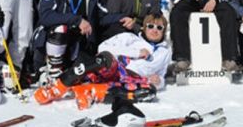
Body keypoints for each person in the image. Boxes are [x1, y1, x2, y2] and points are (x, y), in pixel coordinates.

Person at [39, 14, 171, 109]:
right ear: (144, 28)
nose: (154, 30)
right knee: (104, 58)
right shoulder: (130, 38)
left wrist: (159, 81)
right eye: (151, 26)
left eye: (159, 28)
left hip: (133, 79)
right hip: (115, 68)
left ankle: (92, 91)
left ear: (164, 31)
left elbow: (161, 75)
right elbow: (103, 48)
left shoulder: (165, 52)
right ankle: (59, 86)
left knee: (149, 92)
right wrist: (136, 53)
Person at [32, 0, 118, 86]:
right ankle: (52, 73)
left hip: (76, 44)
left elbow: (101, 17)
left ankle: (68, 74)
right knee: (60, 28)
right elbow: (46, 17)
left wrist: (123, 18)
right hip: (48, 44)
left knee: (83, 72)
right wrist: (77, 20)